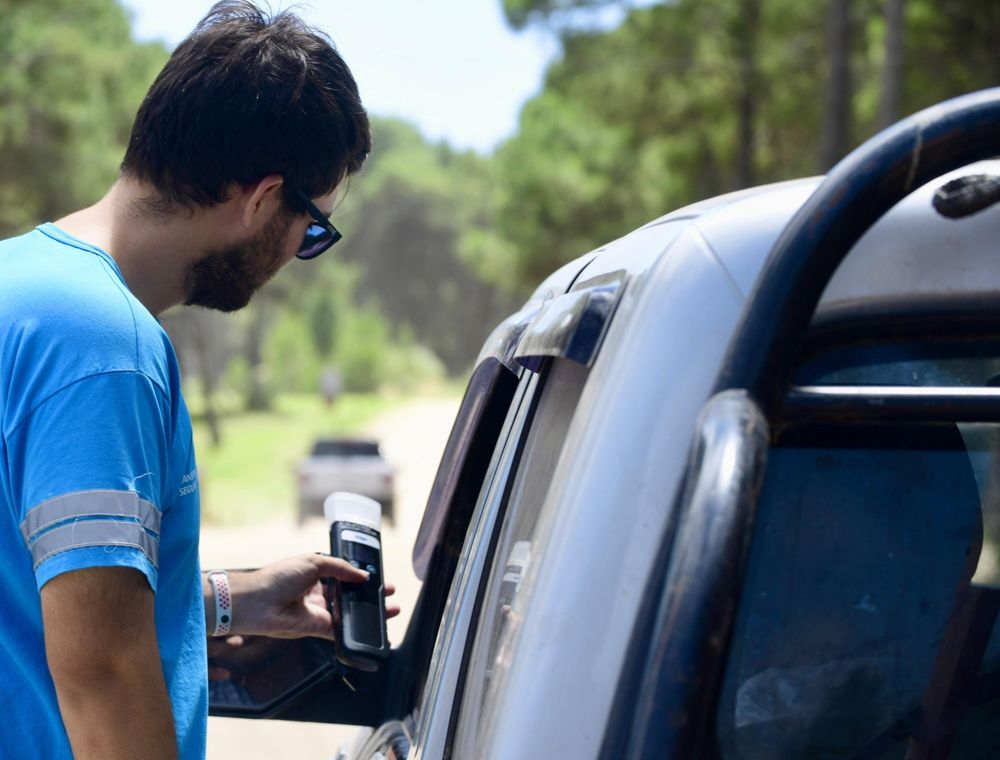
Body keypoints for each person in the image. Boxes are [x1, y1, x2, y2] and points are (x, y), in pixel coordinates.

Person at [0, 2, 399, 758]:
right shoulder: (105, 344)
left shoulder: (18, 284)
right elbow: (101, 667)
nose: (298, 253)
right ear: (260, 199)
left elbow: (42, 591)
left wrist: (229, 598)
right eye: (313, 230)